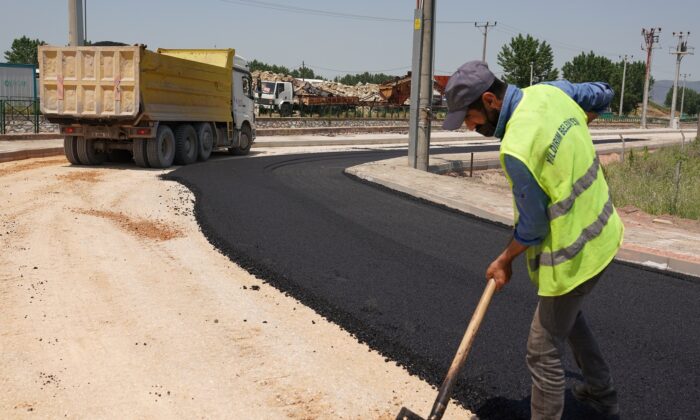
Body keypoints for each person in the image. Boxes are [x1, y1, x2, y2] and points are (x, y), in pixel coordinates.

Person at [442, 61, 624, 419]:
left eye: (470, 116)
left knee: (541, 350)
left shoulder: (516, 148)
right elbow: (603, 92)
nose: (469, 126)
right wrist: (583, 118)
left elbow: (533, 227)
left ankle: (597, 399)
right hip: (605, 232)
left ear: (491, 100)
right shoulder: (550, 92)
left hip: (574, 255)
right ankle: (601, 394)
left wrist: (503, 260)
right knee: (567, 320)